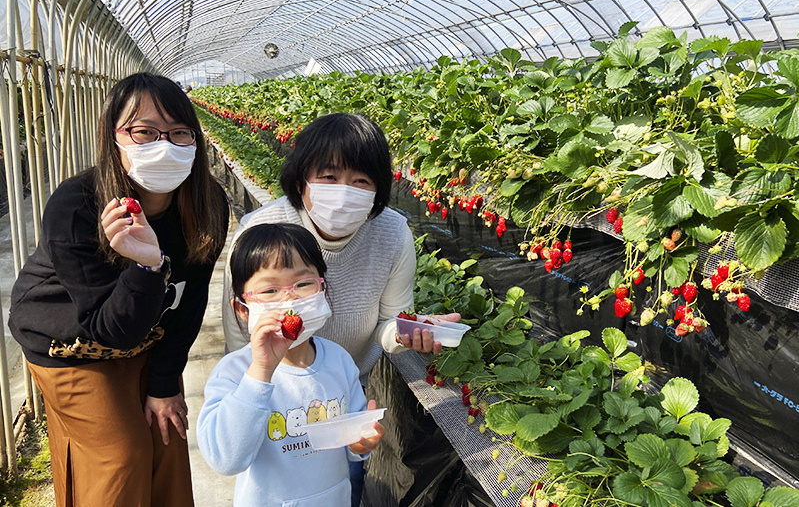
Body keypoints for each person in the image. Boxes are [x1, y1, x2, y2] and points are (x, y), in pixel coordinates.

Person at [8, 72, 229, 507]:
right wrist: (148, 265)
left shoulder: (207, 204)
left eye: (179, 132)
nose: (163, 144)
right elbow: (110, 330)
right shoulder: (79, 205)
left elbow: (191, 301)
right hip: (72, 343)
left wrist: (165, 384)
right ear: (115, 138)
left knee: (167, 439)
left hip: (145, 332)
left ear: (196, 141)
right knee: (120, 456)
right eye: (145, 131)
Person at [220, 112, 460, 505]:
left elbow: (389, 320)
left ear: (378, 191)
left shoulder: (392, 232)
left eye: (361, 181)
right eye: (329, 177)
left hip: (343, 392)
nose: (344, 191)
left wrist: (404, 332)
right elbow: (238, 330)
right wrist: (245, 392)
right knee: (271, 484)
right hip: (274, 396)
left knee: (340, 482)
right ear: (302, 181)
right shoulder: (261, 231)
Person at [198, 223, 384, 506]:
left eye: (303, 284)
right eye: (270, 290)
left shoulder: (339, 360)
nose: (289, 300)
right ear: (242, 310)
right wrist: (261, 371)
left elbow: (353, 440)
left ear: (323, 289)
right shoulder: (235, 372)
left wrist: (361, 443)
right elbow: (225, 460)